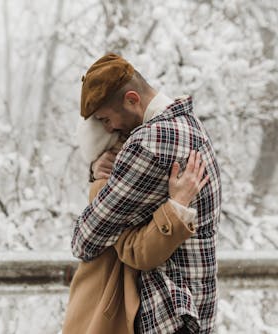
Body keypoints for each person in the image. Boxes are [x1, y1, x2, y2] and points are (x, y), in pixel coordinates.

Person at [71, 53, 222, 333]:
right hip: (196, 308)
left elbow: (85, 241)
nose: (110, 129)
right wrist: (98, 169)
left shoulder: (149, 143)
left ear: (132, 99)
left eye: (106, 118)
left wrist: (98, 182)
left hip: (168, 313)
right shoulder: (190, 125)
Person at [63, 132, 208, 333]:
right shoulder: (108, 186)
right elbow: (137, 252)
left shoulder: (112, 181)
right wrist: (178, 206)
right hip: (104, 317)